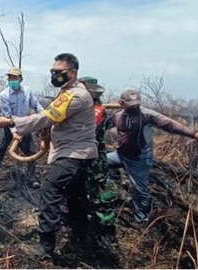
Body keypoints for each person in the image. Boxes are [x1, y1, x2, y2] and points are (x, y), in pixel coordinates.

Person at [0, 53, 97, 259]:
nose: (54, 75)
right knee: (76, 195)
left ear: (73, 72)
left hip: (73, 154)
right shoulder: (66, 92)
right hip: (75, 153)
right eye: (52, 71)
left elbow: (47, 116)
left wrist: (13, 122)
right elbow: (52, 116)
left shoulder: (75, 95)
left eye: (58, 72)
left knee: (49, 192)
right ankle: (81, 233)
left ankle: (45, 247)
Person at [107, 90, 198, 225]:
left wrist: (194, 134)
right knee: (99, 162)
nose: (135, 107)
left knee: (139, 189)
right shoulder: (118, 116)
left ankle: (142, 219)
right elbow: (101, 125)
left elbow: (170, 125)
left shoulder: (147, 115)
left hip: (139, 159)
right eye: (131, 104)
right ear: (122, 103)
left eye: (136, 104)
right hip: (120, 154)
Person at [0, 67, 44, 188]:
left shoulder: (28, 91)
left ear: (21, 79)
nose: (11, 80)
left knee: (31, 152)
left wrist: (45, 117)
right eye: (9, 78)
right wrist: (14, 133)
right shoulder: (3, 95)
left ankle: (31, 178)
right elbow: (7, 116)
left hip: (24, 125)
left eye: (14, 78)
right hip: (8, 126)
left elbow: (36, 105)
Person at [79, 76, 117, 244]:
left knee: (101, 193)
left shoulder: (95, 111)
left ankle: (105, 228)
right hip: (82, 155)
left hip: (93, 158)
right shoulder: (88, 108)